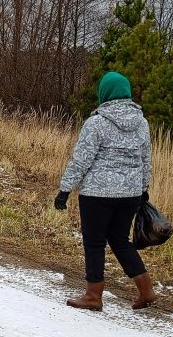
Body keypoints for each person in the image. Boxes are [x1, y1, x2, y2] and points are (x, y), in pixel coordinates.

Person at [54, 71, 157, 311]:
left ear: (105, 93)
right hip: (130, 194)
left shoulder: (97, 123)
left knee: (94, 242)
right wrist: (143, 189)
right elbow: (145, 159)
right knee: (120, 240)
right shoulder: (142, 123)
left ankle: (93, 295)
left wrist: (65, 189)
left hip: (98, 194)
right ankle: (146, 290)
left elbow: (81, 160)